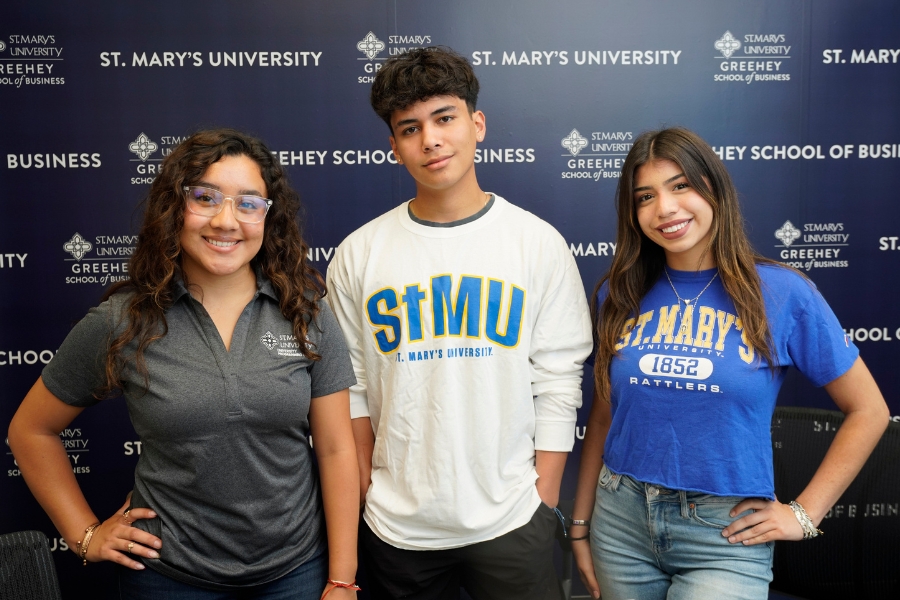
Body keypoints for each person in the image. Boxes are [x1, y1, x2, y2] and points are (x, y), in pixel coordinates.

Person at [8, 129, 360, 600]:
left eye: (248, 203)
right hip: (167, 578)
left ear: (267, 218)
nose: (226, 220)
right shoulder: (124, 320)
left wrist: (341, 579)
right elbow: (31, 430)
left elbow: (337, 451)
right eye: (206, 198)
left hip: (296, 574)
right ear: (176, 207)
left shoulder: (306, 312)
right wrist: (85, 535)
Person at [570, 127, 890, 600]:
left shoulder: (782, 293)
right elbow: (603, 412)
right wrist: (580, 524)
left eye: (681, 186)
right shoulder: (618, 294)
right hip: (622, 522)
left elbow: (870, 410)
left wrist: (804, 514)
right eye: (645, 196)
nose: (665, 208)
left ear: (713, 188)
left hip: (724, 534)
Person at [325, 47, 592, 600]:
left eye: (445, 118)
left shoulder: (536, 243)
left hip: (512, 517)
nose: (431, 140)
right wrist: (371, 487)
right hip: (398, 528)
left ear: (477, 125)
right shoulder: (358, 254)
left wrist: (543, 497)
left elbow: (559, 382)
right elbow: (349, 390)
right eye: (409, 128)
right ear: (395, 147)